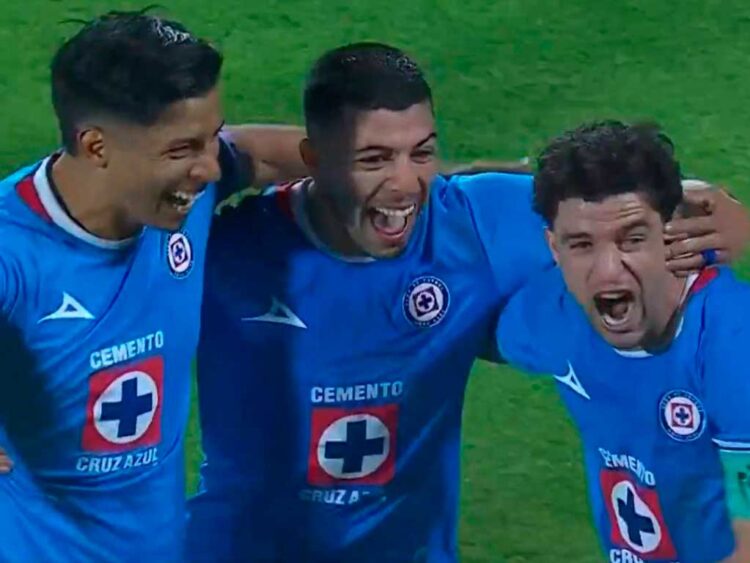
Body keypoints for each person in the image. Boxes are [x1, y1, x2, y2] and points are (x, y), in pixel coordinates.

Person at [188, 42, 750, 561]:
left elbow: (611, 198)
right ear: (312, 157)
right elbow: (173, 165)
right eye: (374, 158)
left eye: (421, 153)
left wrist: (727, 215)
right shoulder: (228, 248)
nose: (406, 184)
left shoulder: (471, 226)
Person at [0, 10, 304, 562]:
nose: (211, 168)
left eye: (210, 139)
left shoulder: (181, 193)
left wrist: (401, 177)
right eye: (182, 149)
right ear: (96, 147)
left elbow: (259, 154)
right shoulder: (15, 252)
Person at [497, 121, 750, 562]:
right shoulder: (547, 316)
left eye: (632, 239)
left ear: (673, 232)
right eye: (581, 245)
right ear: (554, 248)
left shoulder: (731, 341)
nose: (609, 270)